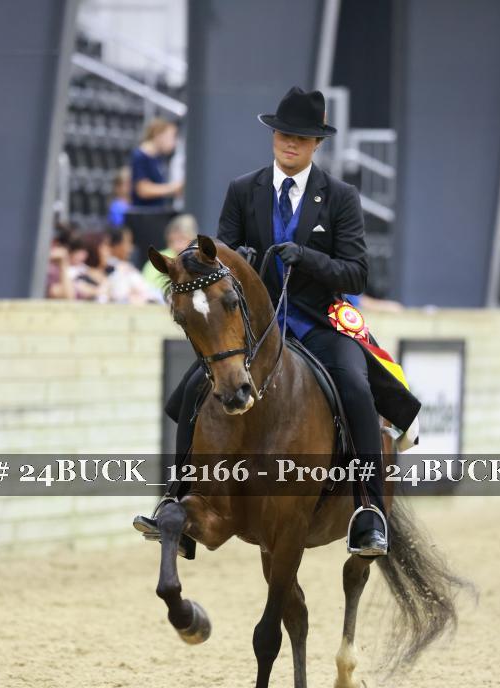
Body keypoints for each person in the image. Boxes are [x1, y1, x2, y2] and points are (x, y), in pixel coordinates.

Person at [135, 87, 421, 557]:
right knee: (191, 390)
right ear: (274, 136)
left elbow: (356, 272)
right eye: (284, 134)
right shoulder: (242, 190)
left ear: (317, 144)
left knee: (355, 386)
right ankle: (176, 495)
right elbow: (218, 259)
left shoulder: (341, 197)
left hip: (319, 321)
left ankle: (368, 509)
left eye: (301, 138)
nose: (291, 143)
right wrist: (241, 259)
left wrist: (307, 258)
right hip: (254, 327)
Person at [130, 118, 184, 209]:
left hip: (158, 211)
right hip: (145, 213)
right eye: (172, 136)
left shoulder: (159, 158)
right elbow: (143, 190)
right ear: (159, 134)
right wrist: (173, 188)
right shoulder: (140, 156)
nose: (174, 143)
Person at [141, 213, 198, 295]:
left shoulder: (200, 260)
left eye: (182, 238)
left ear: (193, 239)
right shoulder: (157, 259)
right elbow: (146, 291)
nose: (178, 245)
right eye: (175, 239)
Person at [107, 226, 162, 304]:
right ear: (115, 245)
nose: (131, 248)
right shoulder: (111, 267)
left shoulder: (126, 266)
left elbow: (147, 290)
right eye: (127, 242)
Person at [70, 231, 113, 302]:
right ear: (94, 249)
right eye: (105, 246)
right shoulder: (78, 273)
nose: (109, 250)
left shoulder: (113, 271)